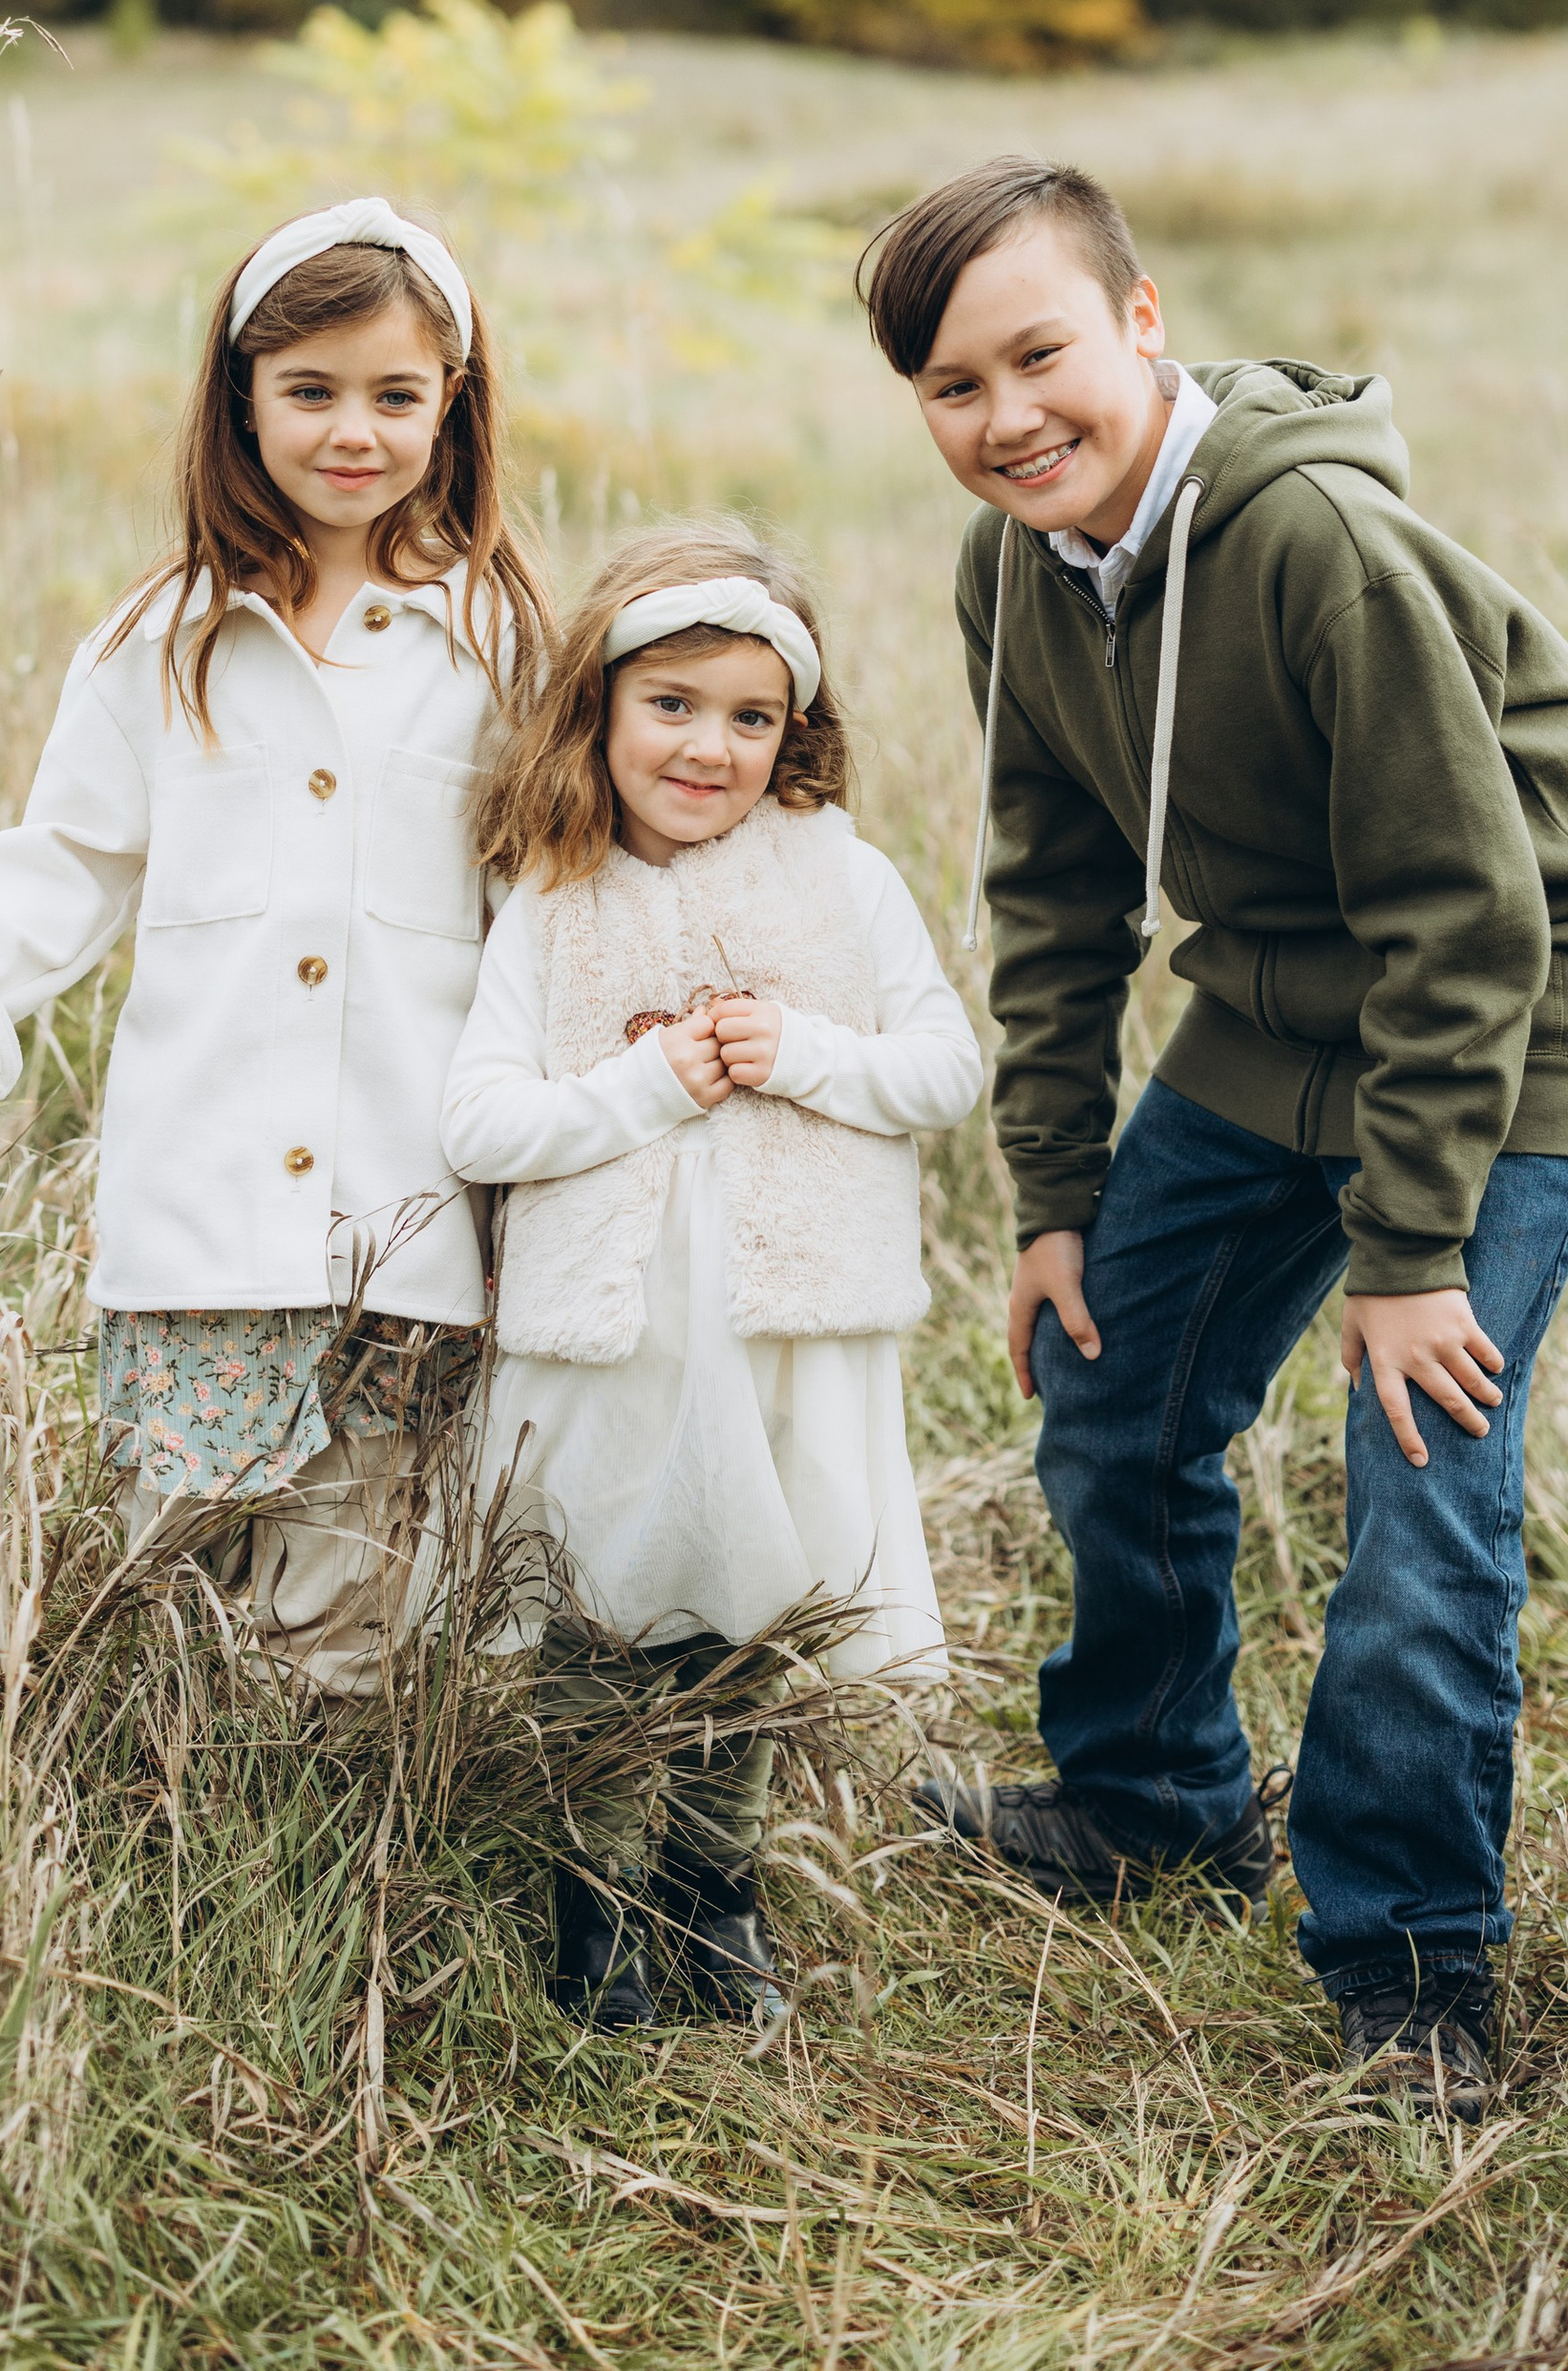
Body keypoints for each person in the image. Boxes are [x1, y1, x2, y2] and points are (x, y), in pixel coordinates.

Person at [858, 156, 1568, 2120]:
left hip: (1515, 994)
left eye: (1039, 356)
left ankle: (1410, 1961)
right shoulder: (1012, 568)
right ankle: (1152, 1797)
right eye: (953, 387)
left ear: (1142, 323)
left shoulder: (1316, 542)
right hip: (1277, 989)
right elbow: (1052, 893)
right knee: (1110, 1380)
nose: (1005, 418)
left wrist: (1407, 1256)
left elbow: (1465, 911)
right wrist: (1055, 1199)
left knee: (1421, 1463)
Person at [0, 196, 548, 1691]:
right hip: (200, 1220)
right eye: (310, 390)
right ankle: (175, 1810)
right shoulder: (163, 639)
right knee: (179, 1592)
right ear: (240, 398)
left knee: (353, 1612)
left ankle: (322, 1822)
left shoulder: (498, 643)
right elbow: (64, 860)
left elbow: (545, 893)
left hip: (407, 1221)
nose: (352, 432)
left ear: (452, 405)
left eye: (395, 396)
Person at [443, 524, 983, 2035]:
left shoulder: (843, 880)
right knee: (600, 1615)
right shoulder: (554, 901)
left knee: (749, 1616)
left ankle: (713, 1885)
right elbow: (479, 1121)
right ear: (600, 708)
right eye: (671, 705)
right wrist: (644, 1087)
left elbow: (943, 1067)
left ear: (792, 735)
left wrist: (803, 1053)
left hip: (779, 1326)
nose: (708, 747)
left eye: (751, 718)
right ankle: (594, 1898)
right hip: (613, 1338)